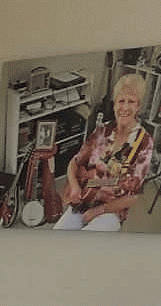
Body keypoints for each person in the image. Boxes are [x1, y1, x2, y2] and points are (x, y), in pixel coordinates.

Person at [54, 73, 153, 231]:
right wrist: (75, 187)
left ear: (138, 106)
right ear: (114, 104)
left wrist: (99, 210)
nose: (125, 108)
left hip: (111, 210)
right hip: (84, 199)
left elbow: (132, 197)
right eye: (121, 101)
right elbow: (75, 162)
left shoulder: (144, 142)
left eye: (131, 102)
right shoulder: (101, 131)